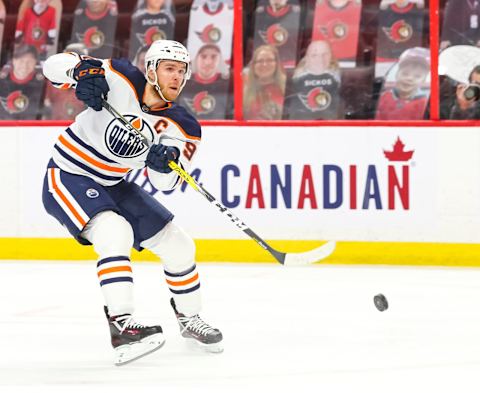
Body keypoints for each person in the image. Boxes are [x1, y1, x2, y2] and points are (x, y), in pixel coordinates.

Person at [41, 39, 223, 366]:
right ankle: (122, 326)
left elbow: (164, 182)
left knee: (179, 244)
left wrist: (162, 162)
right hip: (68, 173)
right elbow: (53, 67)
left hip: (114, 183)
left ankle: (190, 318)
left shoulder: (184, 125)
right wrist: (81, 71)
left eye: (182, 71)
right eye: (170, 69)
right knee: (115, 232)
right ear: (151, 70)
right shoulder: (120, 76)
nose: (177, 78)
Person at [283, 40, 342, 120]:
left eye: (325, 54)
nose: (320, 59)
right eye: (314, 55)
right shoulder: (293, 83)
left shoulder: (342, 81)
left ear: (331, 56)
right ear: (307, 58)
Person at [375, 46, 430, 120]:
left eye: (417, 76)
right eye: (405, 74)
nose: (409, 79)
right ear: (397, 74)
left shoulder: (424, 104)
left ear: (423, 80)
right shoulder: (384, 97)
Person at [179, 43, 232, 119]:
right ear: (196, 59)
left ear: (220, 60)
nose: (208, 62)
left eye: (214, 57)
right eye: (203, 56)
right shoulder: (182, 84)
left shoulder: (228, 86)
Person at [0, 45, 45, 120]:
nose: (24, 65)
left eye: (30, 61)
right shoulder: (2, 80)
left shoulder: (43, 83)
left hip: (31, 128)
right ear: (13, 61)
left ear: (35, 63)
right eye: (21, 61)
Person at [243, 44, 286, 120]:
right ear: (253, 65)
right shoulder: (243, 87)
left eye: (269, 60)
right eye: (260, 61)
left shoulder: (287, 86)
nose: (264, 64)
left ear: (276, 63)